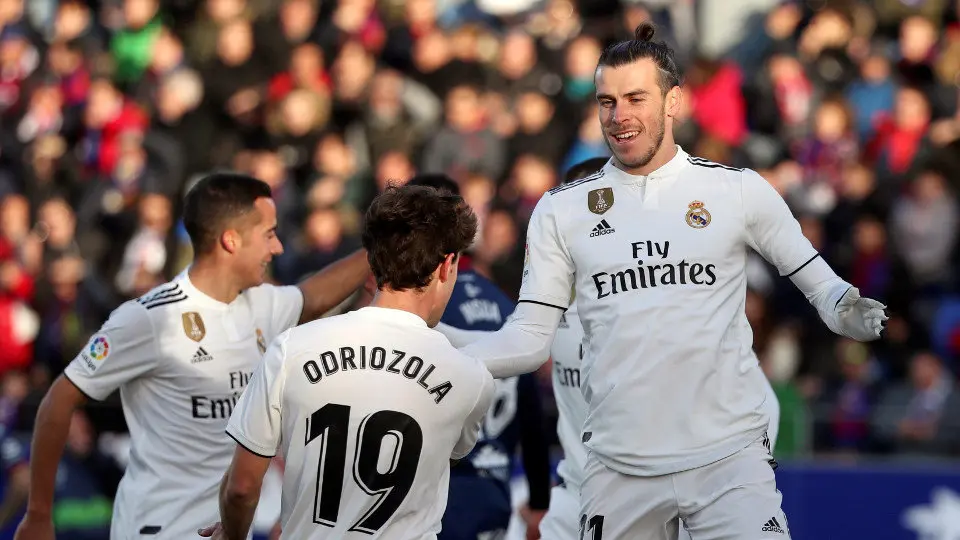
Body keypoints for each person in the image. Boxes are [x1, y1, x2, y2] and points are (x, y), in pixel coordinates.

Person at [439, 22, 886, 540]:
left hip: (728, 463)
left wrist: (843, 306)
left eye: (636, 98)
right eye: (607, 101)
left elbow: (816, 280)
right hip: (617, 469)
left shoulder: (737, 191)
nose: (620, 116)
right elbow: (529, 337)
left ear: (675, 102)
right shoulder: (561, 211)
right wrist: (440, 349)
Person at [15, 173, 371, 540]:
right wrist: (39, 515)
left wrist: (384, 247)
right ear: (231, 241)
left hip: (227, 531)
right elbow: (59, 399)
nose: (277, 247)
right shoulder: (150, 318)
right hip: (158, 530)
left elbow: (315, 296)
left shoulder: (264, 304)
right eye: (268, 234)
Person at [200, 183, 495, 540]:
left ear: (373, 260)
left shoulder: (293, 348)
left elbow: (241, 487)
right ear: (447, 266)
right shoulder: (471, 377)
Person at [536, 158, 782, 540]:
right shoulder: (547, 318)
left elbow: (764, 403)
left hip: (657, 496)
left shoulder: (669, 311)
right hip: (578, 501)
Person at [407, 175, 552, 540]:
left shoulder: (420, 315)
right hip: (495, 494)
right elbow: (531, 417)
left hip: (434, 497)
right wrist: (539, 502)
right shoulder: (507, 307)